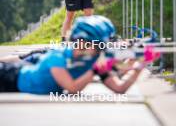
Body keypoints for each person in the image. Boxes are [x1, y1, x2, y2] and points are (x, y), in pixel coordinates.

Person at [0, 15, 147, 95]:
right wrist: (95, 70)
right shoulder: (57, 57)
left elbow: (119, 88)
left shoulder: (93, 60)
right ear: (82, 42)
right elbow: (72, 88)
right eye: (98, 45)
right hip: (10, 78)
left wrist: (139, 66)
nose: (101, 50)